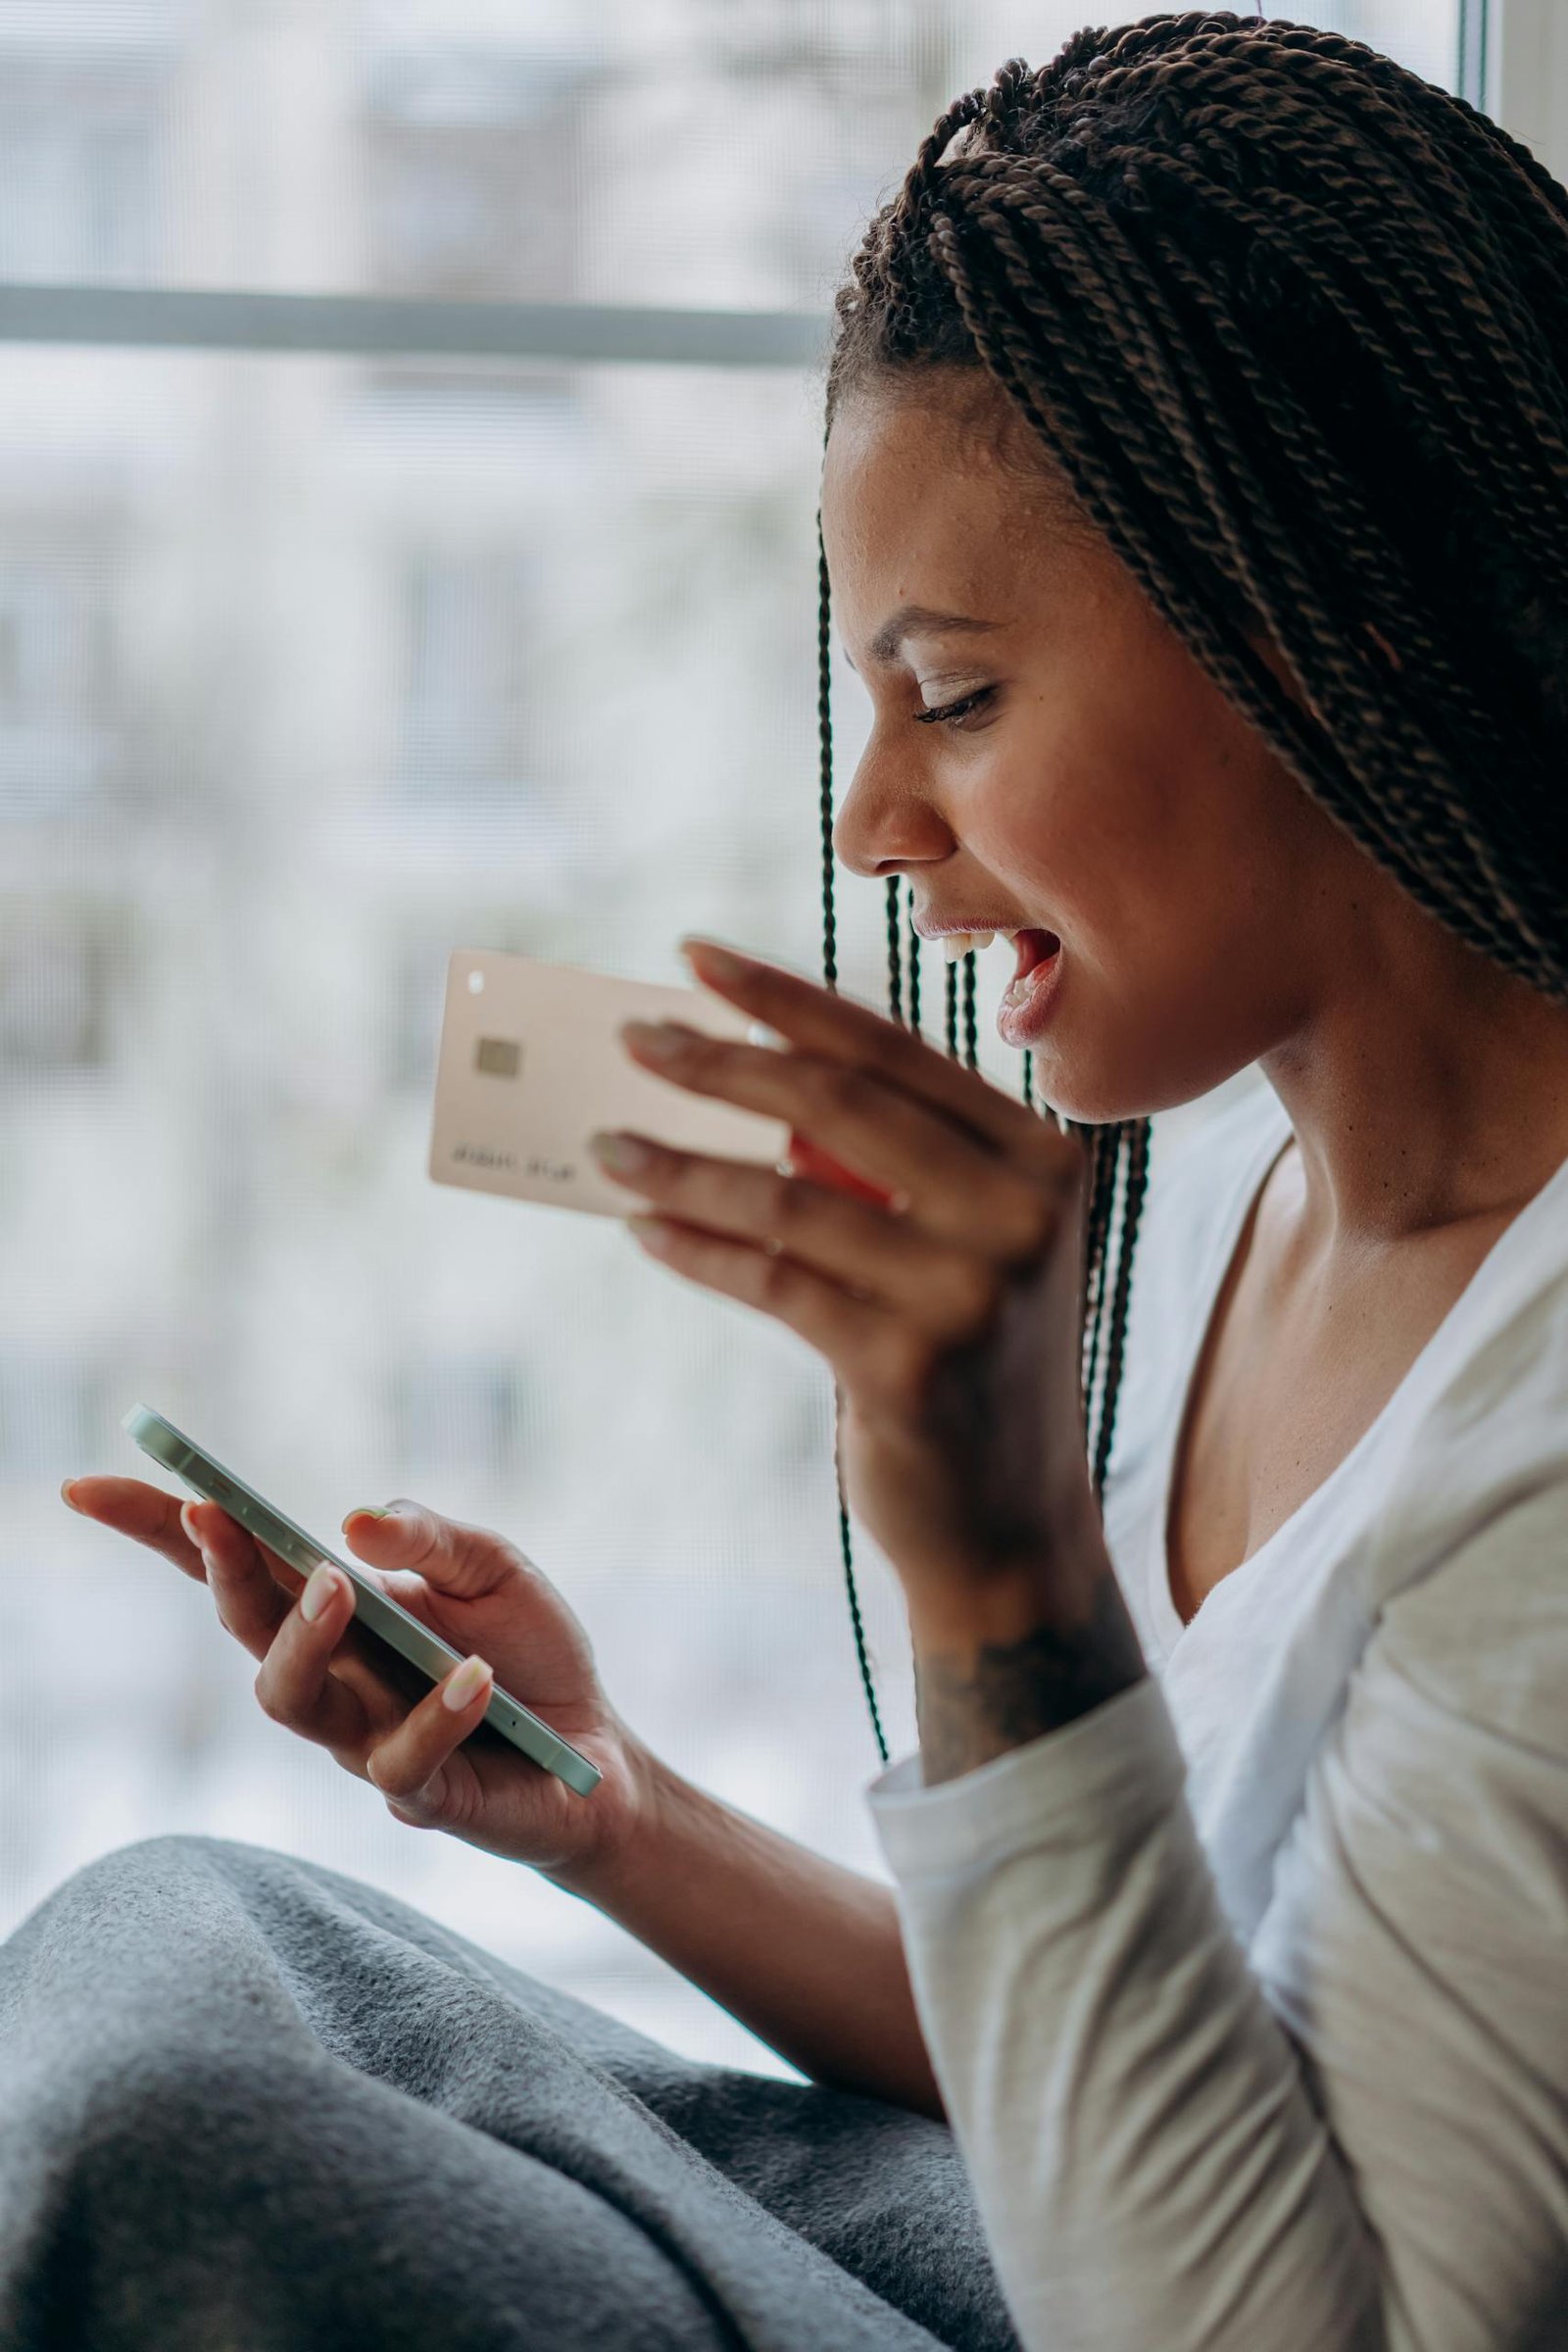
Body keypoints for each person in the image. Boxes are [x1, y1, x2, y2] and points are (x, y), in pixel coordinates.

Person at [7, 12, 1568, 2347]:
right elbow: (1098, 2069)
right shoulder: (1247, 1188)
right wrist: (609, 1808)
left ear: (1318, 636)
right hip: (1072, 2253)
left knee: (166, 2144)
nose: (867, 824)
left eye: (950, 699)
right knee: (195, 1933)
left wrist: (999, 1557)